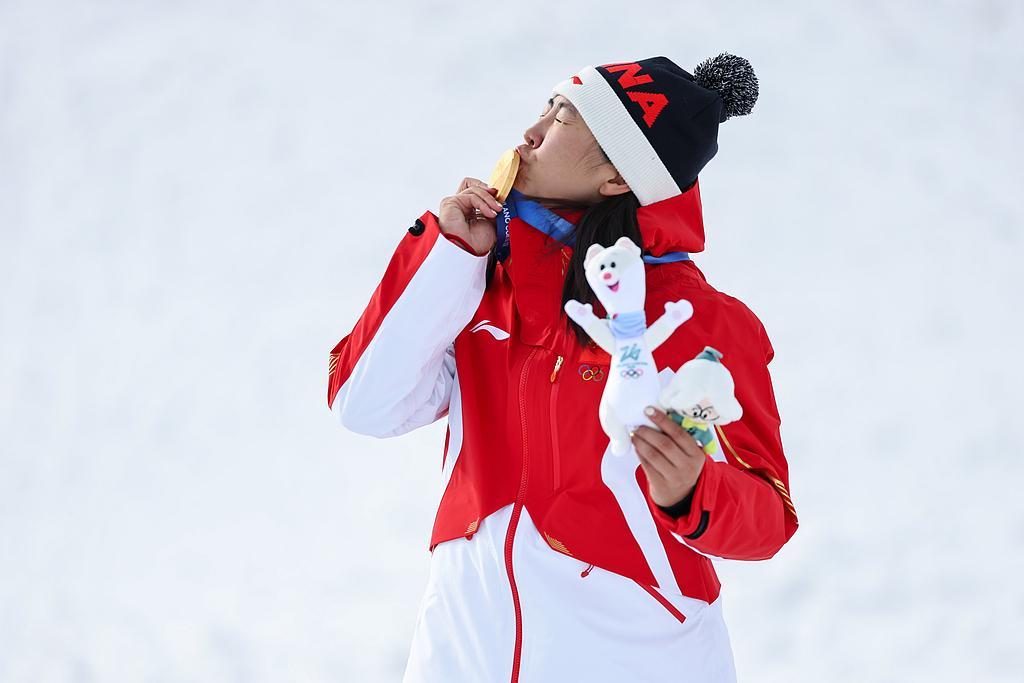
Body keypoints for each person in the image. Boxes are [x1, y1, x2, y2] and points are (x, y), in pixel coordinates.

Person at [327, 54, 799, 683]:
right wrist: (445, 256)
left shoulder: (698, 320)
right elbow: (365, 405)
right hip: (461, 646)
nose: (530, 133)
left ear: (616, 176)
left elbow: (768, 517)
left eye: (563, 119)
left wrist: (694, 491)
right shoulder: (482, 283)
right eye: (545, 109)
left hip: (633, 657)